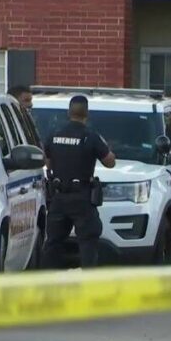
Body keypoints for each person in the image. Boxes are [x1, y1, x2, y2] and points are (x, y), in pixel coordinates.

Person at [41, 95, 116, 269]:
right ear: (86, 113)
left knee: (53, 242)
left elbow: (47, 161)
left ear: (69, 112)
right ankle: (88, 282)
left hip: (58, 196)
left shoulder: (55, 134)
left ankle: (45, 282)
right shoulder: (90, 136)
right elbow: (110, 162)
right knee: (88, 241)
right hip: (82, 197)